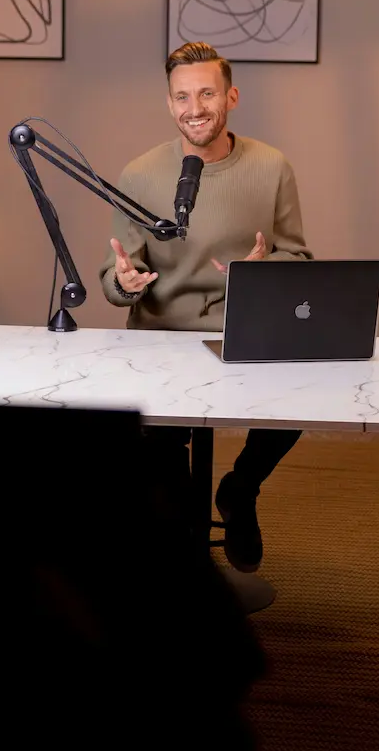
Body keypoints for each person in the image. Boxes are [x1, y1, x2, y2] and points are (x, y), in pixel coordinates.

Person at [99, 41, 312, 573]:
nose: (195, 107)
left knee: (310, 392)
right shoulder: (140, 175)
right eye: (182, 97)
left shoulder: (272, 166)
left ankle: (240, 490)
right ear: (169, 106)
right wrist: (125, 281)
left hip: (243, 330)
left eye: (207, 94)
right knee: (161, 469)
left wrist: (266, 270)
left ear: (231, 96)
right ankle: (182, 527)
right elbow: (113, 277)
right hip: (161, 336)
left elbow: (299, 254)